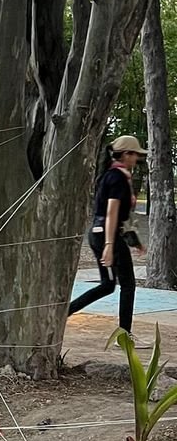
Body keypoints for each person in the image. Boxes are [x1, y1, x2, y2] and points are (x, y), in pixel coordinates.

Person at [68, 135, 147, 336]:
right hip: (106, 236)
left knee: (108, 285)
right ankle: (125, 334)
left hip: (99, 233)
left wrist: (133, 242)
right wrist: (110, 245)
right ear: (126, 154)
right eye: (135, 154)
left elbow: (119, 216)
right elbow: (111, 212)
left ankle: (65, 312)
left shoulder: (110, 175)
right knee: (127, 285)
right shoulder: (118, 178)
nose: (137, 159)